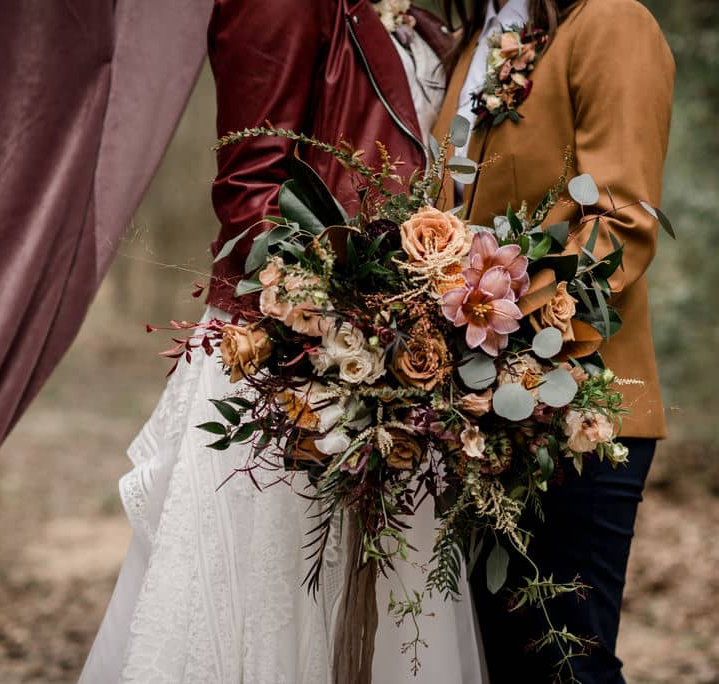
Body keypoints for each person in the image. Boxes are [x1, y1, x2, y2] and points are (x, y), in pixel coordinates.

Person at [80, 1, 486, 682]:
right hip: (297, 361)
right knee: (277, 602)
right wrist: (327, 332)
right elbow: (249, 186)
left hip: (392, 355)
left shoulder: (421, 18)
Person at [433, 0, 674, 681]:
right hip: (474, 414)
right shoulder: (481, 34)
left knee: (566, 667)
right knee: (505, 666)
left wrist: (502, 329)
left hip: (580, 410)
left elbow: (619, 223)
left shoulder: (611, 22)